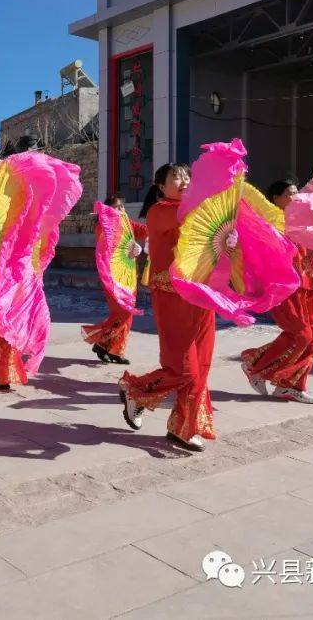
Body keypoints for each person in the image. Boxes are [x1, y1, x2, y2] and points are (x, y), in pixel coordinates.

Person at [118, 162, 219, 452]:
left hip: (202, 294)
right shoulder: (160, 211)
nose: (184, 180)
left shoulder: (199, 210)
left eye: (187, 175)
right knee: (184, 368)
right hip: (174, 296)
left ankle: (183, 428)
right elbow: (188, 216)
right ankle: (135, 391)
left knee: (201, 366)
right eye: (176, 176)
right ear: (161, 186)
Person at [240, 179, 313, 404]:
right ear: (275, 199)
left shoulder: (303, 221)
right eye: (289, 194)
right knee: (301, 335)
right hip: (286, 286)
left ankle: (290, 386)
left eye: (297, 193)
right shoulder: (269, 223)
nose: (295, 198)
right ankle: (254, 363)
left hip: (309, 284)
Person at [81, 194, 147, 365]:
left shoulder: (128, 224)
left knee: (128, 314)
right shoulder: (103, 226)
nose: (121, 210)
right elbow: (108, 249)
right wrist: (129, 249)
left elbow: (145, 229)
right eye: (117, 207)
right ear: (108, 210)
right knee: (122, 313)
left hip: (128, 275)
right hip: (112, 276)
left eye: (122, 207)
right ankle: (102, 342)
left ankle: (113, 349)